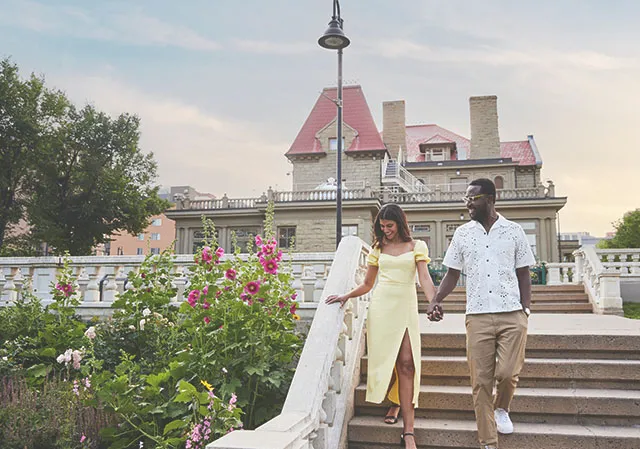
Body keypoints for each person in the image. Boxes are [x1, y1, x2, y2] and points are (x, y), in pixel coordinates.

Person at [426, 178, 535, 449]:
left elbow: (524, 272)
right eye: (466, 198)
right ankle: (488, 441)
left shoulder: (513, 231)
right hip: (477, 316)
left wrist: (526, 309)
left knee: (508, 373)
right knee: (481, 381)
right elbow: (452, 273)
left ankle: (502, 408)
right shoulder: (462, 234)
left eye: (472, 198)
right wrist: (436, 300)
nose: (467, 203)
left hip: (512, 313)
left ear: (489, 199)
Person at [326, 204, 437, 449]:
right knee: (388, 360)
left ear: (400, 223)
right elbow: (367, 284)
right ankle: (395, 401)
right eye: (382, 226)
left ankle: (409, 432)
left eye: (390, 225)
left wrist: (434, 302)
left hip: (406, 308)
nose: (385, 230)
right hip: (382, 308)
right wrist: (346, 296)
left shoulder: (416, 246)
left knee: (407, 364)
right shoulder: (378, 248)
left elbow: (425, 278)